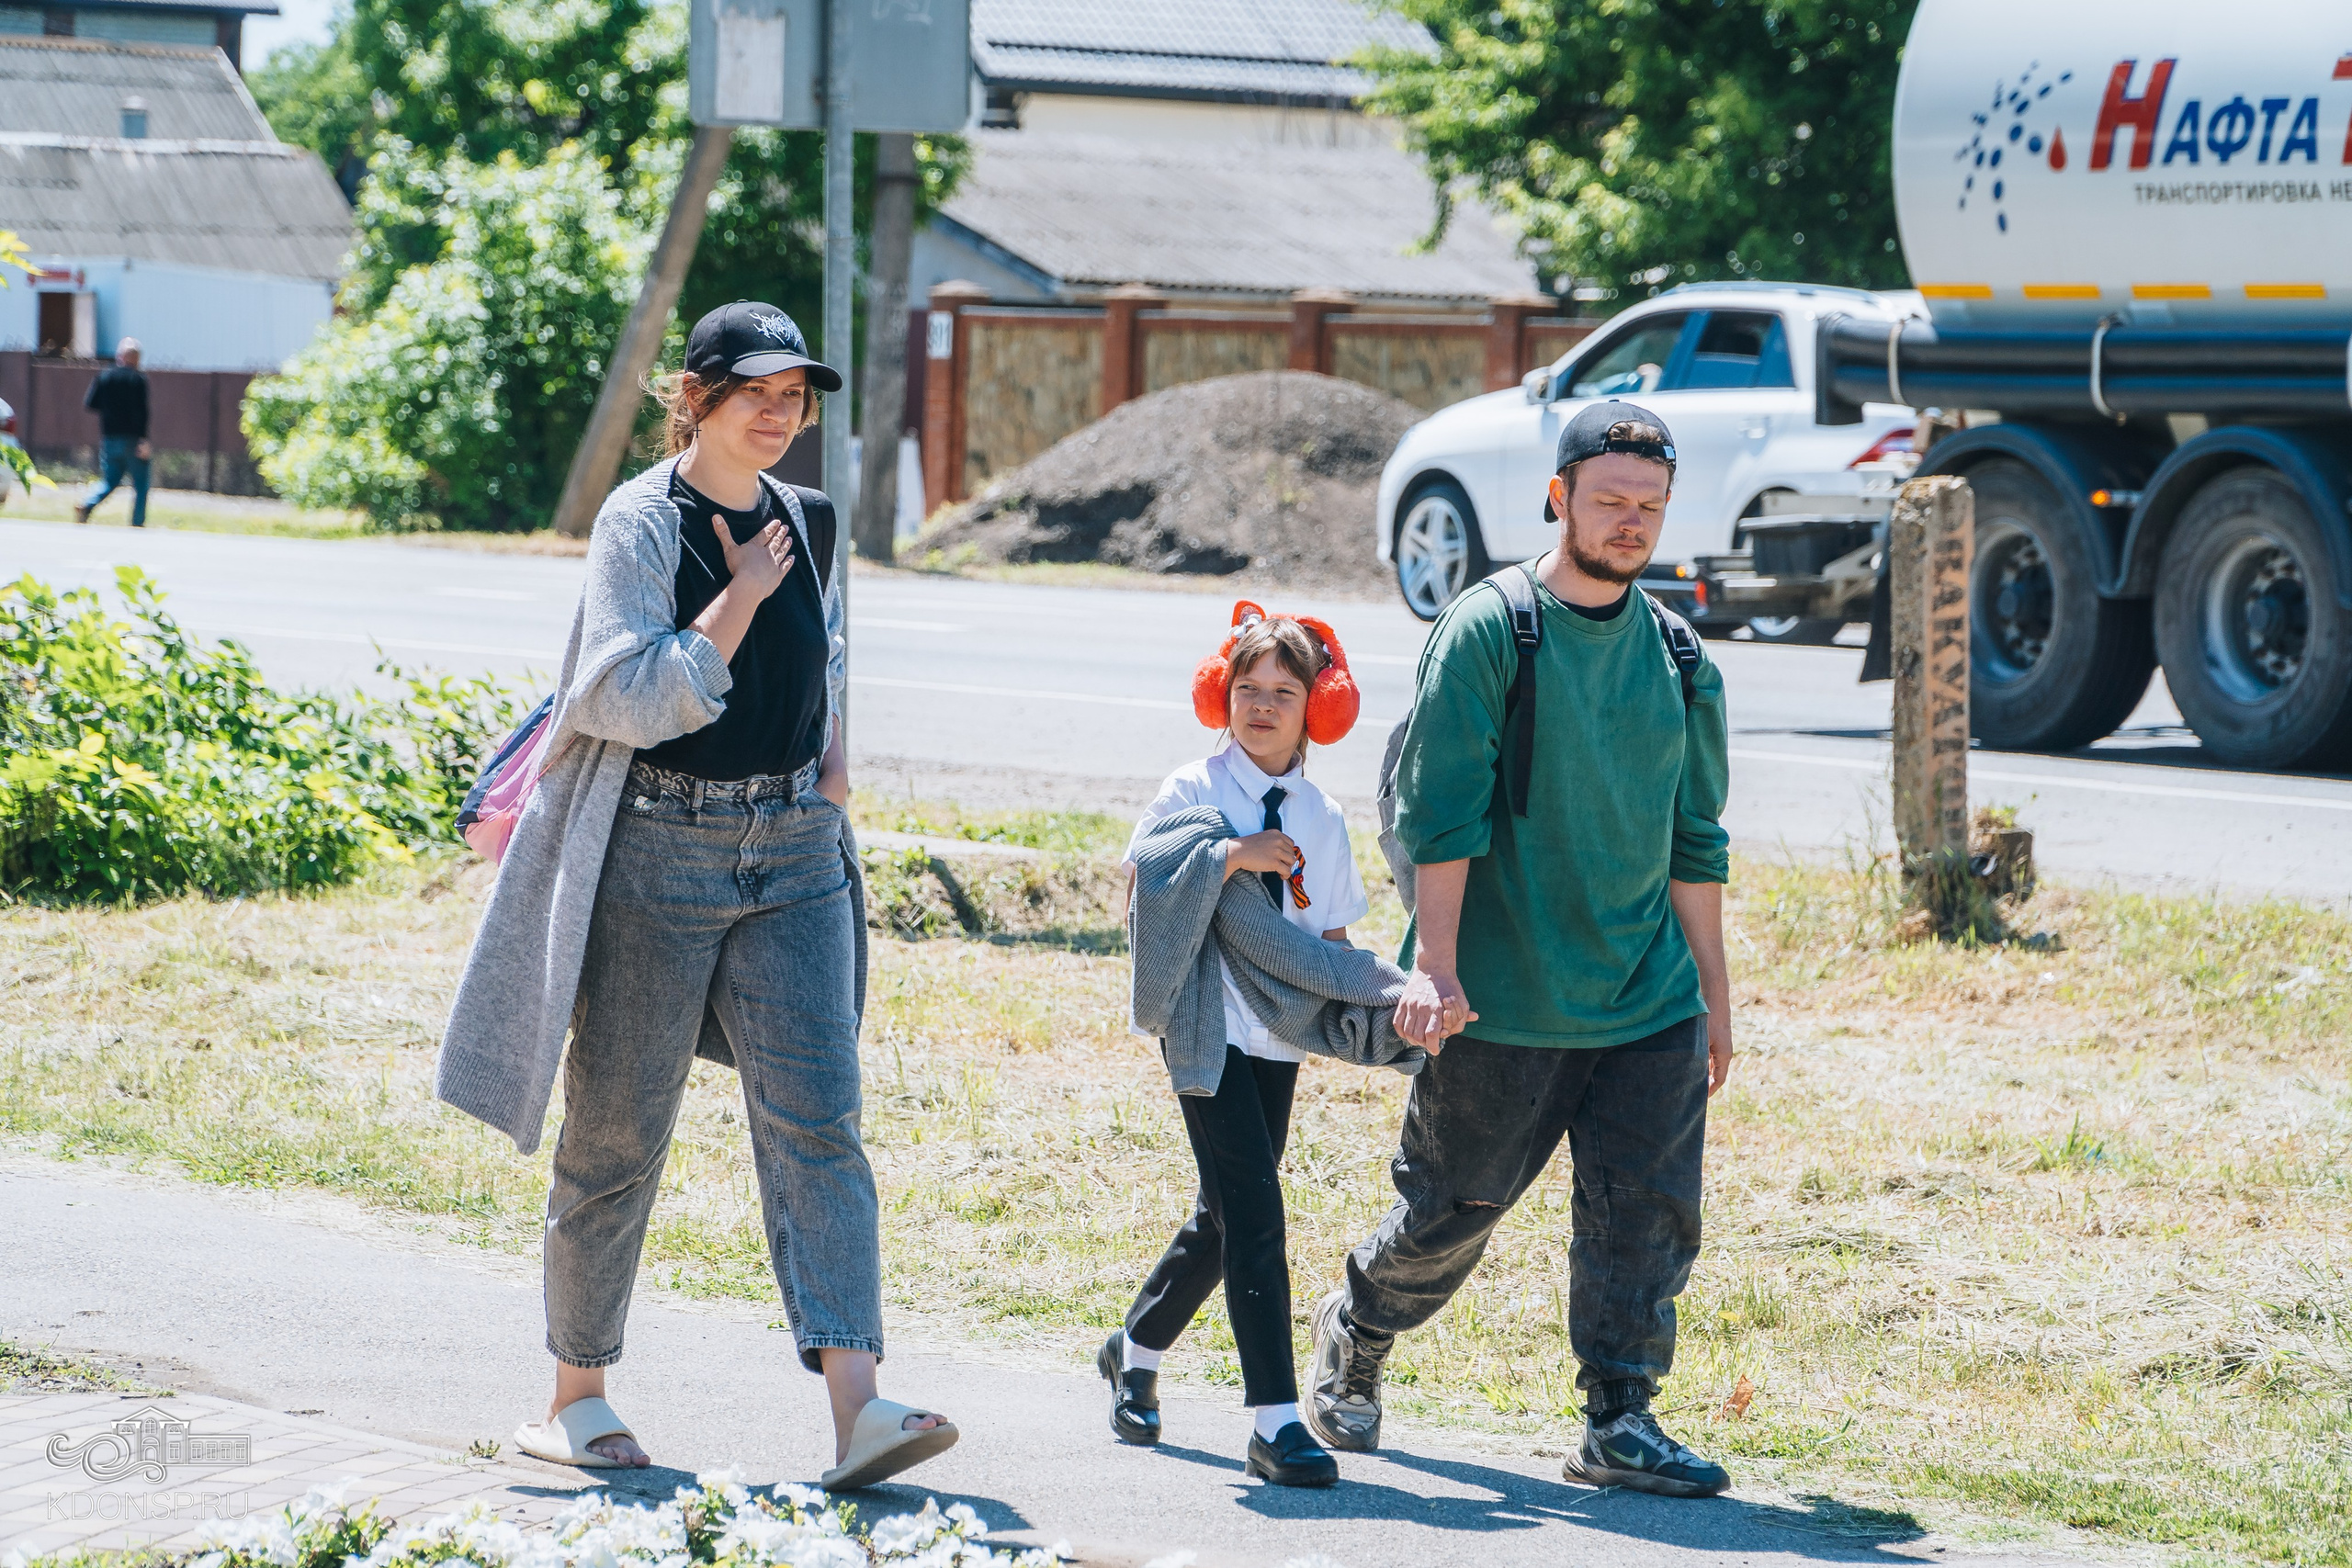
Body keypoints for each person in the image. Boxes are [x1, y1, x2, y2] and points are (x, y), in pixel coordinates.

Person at [435, 301, 956, 1492]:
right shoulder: (641, 520)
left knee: (819, 1118)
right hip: (656, 847)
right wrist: (740, 596)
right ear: (697, 397)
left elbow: (826, 662)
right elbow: (618, 693)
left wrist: (831, 773)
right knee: (618, 1129)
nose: (780, 414)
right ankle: (576, 1394)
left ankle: (860, 1410)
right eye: (756, 392)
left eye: (795, 395)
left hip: (793, 851)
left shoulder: (810, 517)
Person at [1305, 400, 1736, 1498]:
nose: (1630, 521)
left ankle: (1618, 1418)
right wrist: (1436, 970)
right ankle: (1358, 1326)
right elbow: (1438, 817)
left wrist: (1713, 1000)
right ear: (1559, 498)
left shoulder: (1682, 657)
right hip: (1500, 995)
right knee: (1451, 1210)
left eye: (1648, 506)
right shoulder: (1491, 630)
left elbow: (1696, 841)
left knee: (1648, 1218)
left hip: (1648, 997)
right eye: (1609, 500)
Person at [1106, 610, 1385, 1489]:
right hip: (1203, 1024)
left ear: (1317, 709)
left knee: (1226, 1212)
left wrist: (1383, 1007)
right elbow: (1141, 882)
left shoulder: (1324, 818)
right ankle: (1274, 1422)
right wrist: (1230, 854)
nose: (1262, 706)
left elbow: (1330, 940)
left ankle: (1133, 1348)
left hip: (1278, 1036)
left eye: (1284, 693)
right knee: (1258, 1212)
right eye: (1247, 689)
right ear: (1220, 694)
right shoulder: (1193, 785)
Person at [74, 338, 151, 528]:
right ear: (137, 359)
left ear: (120, 356)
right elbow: (142, 412)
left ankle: (87, 504)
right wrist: (144, 440)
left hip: (109, 437)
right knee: (141, 484)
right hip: (133, 439)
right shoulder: (139, 379)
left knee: (109, 481)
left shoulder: (105, 376)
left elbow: (91, 403)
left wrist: (111, 408)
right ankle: (137, 523)